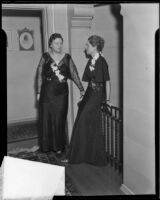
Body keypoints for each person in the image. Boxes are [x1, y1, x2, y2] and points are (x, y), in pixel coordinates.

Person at [36, 33, 85, 154]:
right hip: (47, 92)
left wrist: (81, 88)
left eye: (61, 43)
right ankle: (47, 146)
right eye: (56, 43)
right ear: (50, 45)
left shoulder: (67, 57)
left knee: (60, 119)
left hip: (62, 93)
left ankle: (58, 146)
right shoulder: (45, 57)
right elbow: (39, 74)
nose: (59, 46)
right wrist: (38, 92)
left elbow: (74, 73)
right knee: (47, 119)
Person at [67, 35, 111, 166]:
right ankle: (82, 156)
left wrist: (107, 100)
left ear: (95, 46)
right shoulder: (91, 60)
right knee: (82, 120)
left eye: (87, 45)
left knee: (83, 121)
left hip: (97, 95)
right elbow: (90, 81)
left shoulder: (102, 61)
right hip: (89, 94)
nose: (85, 47)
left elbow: (107, 82)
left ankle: (87, 156)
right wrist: (84, 94)